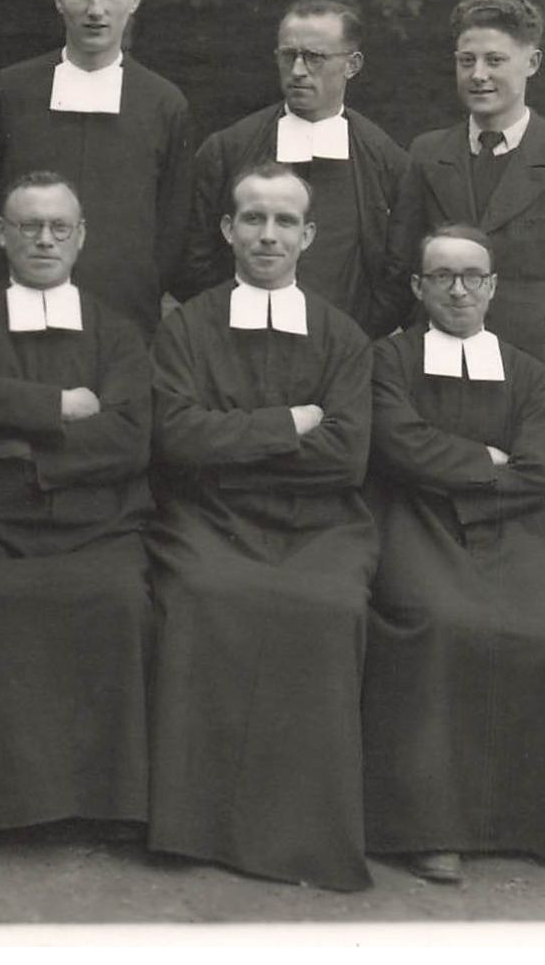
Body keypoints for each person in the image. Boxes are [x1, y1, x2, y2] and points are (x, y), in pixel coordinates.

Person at [363, 224, 545, 883]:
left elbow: (539, 474)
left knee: (538, 633)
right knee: (436, 623)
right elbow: (397, 447)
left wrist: (451, 470)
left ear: (492, 287)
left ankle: (533, 821)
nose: (458, 289)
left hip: (504, 533)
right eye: (442, 276)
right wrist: (484, 459)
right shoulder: (387, 361)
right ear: (418, 288)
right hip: (411, 525)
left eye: (471, 276)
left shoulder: (527, 373)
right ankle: (430, 829)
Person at [0, 171, 153, 841]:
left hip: (96, 524)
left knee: (121, 599)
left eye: (58, 228)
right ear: (1, 237)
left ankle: (103, 805)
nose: (44, 240)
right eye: (28, 227)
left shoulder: (117, 331)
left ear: (80, 238)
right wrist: (61, 407)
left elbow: (129, 436)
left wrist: (18, 445)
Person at [146, 162, 376, 892]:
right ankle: (194, 827)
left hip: (320, 525)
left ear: (307, 235)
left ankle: (303, 834)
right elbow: (177, 441)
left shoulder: (342, 337)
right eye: (252, 218)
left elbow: (345, 458)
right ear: (226, 230)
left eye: (283, 222)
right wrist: (287, 425)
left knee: (326, 607)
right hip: (208, 520)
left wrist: (234, 444)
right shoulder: (185, 328)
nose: (267, 235)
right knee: (203, 596)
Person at [374, 0, 545, 600]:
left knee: (532, 541)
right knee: (433, 530)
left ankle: (530, 678)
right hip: (435, 373)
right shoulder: (427, 153)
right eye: (466, 61)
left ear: (531, 63)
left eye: (495, 60)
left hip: (534, 374)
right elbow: (398, 271)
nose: (479, 75)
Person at [0, 0, 190, 336]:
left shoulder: (163, 104)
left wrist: (141, 286)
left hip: (124, 323)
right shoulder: (5, 94)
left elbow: (172, 227)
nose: (95, 8)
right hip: (14, 318)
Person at [180, 0, 406, 327]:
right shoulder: (227, 150)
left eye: (315, 57)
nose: (298, 70)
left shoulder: (387, 161)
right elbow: (194, 260)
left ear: (352, 65)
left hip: (345, 352)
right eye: (289, 56)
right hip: (240, 342)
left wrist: (356, 336)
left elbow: (397, 271)